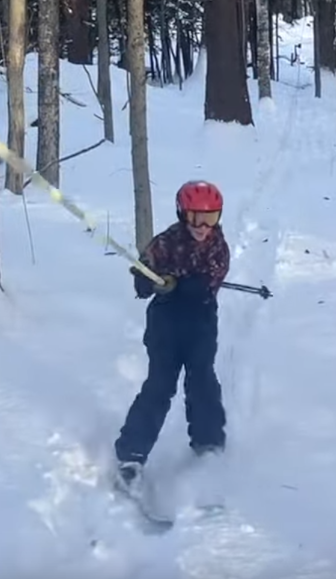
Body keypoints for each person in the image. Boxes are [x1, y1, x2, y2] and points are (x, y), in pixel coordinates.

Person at [113, 179, 231, 490]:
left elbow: (209, 281)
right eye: (196, 218)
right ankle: (132, 455)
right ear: (182, 214)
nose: (203, 226)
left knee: (201, 378)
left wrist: (183, 284)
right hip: (165, 321)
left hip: (201, 320)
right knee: (160, 384)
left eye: (211, 218)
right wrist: (146, 280)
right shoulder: (166, 242)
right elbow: (145, 270)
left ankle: (208, 444)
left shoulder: (218, 246)